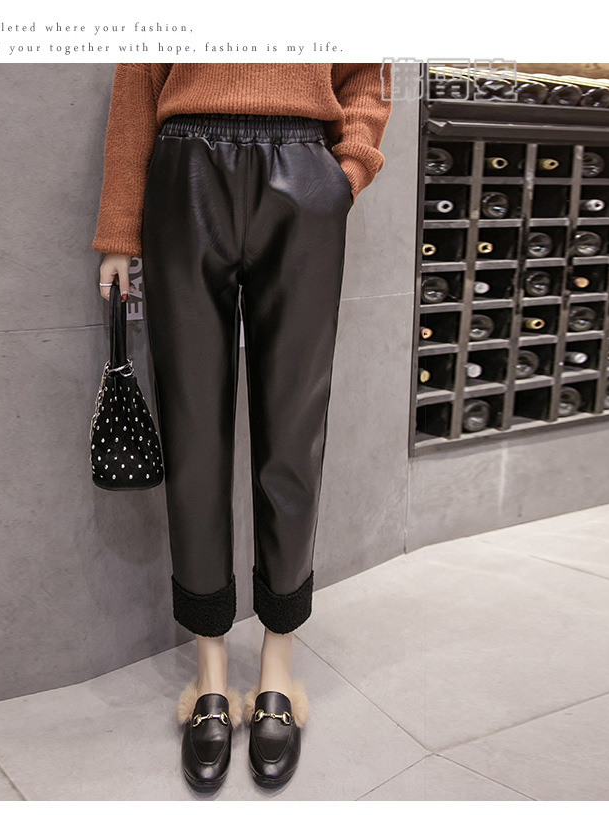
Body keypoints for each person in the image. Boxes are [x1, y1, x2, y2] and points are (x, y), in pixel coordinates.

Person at [93, 62, 392, 792]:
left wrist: (345, 172)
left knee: (294, 431)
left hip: (303, 171)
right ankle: (211, 674)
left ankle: (278, 669)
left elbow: (369, 71)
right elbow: (138, 81)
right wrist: (119, 231)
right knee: (192, 429)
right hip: (185, 169)